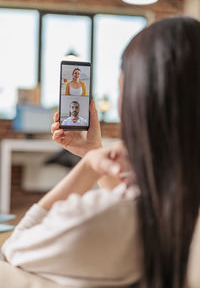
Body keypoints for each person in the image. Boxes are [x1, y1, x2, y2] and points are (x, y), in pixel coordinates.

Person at [2, 15, 200, 288]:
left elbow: (14, 249)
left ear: (137, 100)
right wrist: (92, 151)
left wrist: (88, 167)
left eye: (122, 88)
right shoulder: (176, 206)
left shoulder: (98, 221)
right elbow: (138, 198)